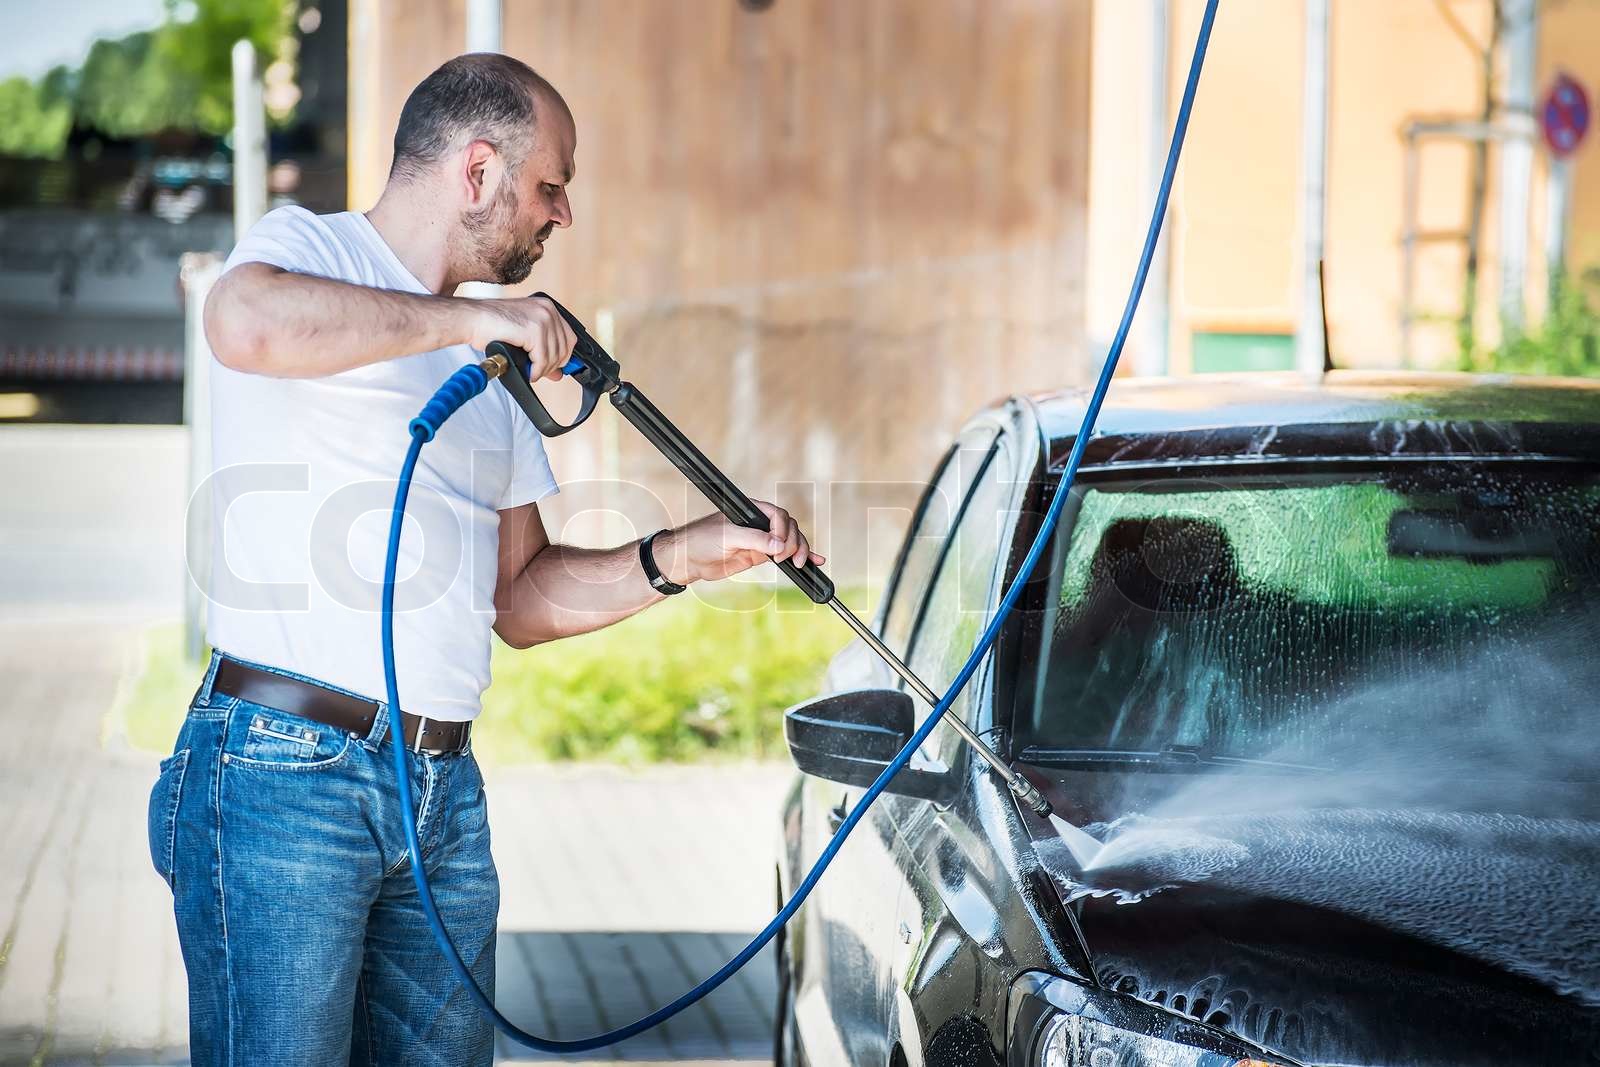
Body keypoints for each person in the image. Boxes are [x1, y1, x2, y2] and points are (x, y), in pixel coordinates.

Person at [147, 52, 821, 1066]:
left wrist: (680, 553)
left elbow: (520, 593)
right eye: (550, 186)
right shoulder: (307, 249)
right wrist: (473, 318)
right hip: (283, 770)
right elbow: (242, 324)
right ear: (475, 172)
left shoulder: (493, 367)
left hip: (439, 791)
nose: (563, 215)